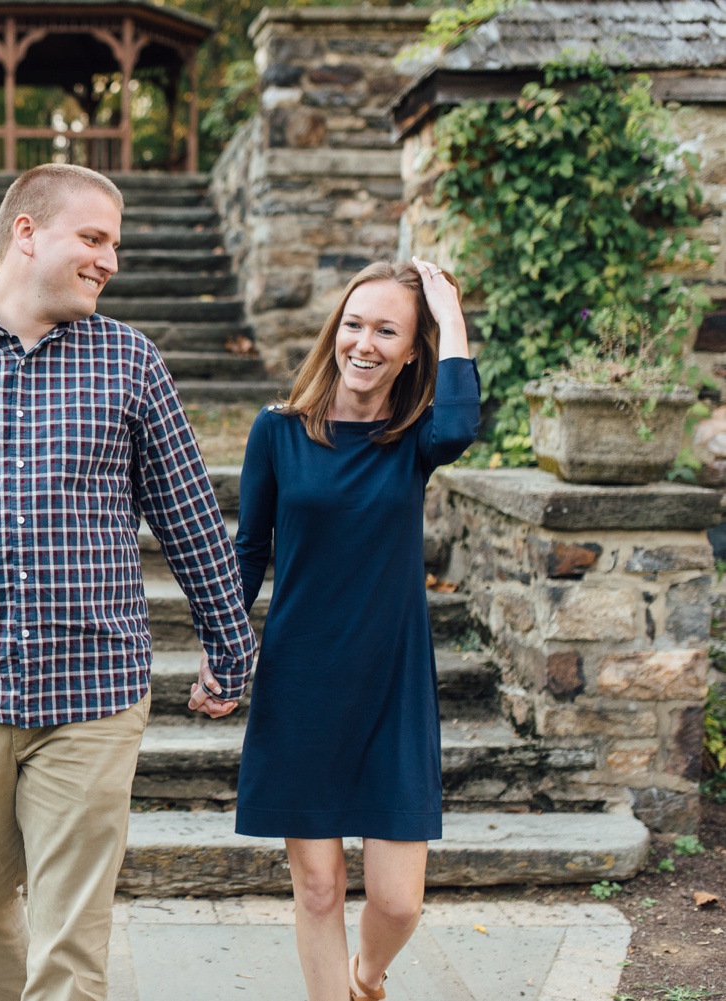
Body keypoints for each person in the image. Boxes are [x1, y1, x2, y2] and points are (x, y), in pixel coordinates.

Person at [0, 163, 257, 1001]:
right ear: (27, 233)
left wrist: (231, 642)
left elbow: (187, 515)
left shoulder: (131, 363)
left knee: (72, 934)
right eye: (95, 238)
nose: (110, 259)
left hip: (94, 693)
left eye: (116, 244)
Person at [189, 259, 477, 1001]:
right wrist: (224, 651)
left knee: (397, 900)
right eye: (354, 323)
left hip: (390, 683)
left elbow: (461, 422)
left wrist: (448, 314)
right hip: (303, 681)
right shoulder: (278, 433)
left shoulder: (414, 440)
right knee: (318, 889)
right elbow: (250, 548)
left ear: (414, 350)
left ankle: (365, 977)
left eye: (389, 330)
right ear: (334, 331)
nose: (365, 342)